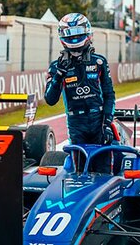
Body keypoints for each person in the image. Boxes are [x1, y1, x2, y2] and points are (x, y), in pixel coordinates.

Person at [45, 13, 116, 173]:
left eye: (78, 32)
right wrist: (58, 77)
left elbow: (109, 95)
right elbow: (50, 100)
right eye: (70, 33)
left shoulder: (99, 62)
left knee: (103, 171)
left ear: (87, 32)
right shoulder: (56, 66)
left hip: (99, 122)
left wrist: (107, 124)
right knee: (79, 172)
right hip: (76, 124)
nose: (74, 37)